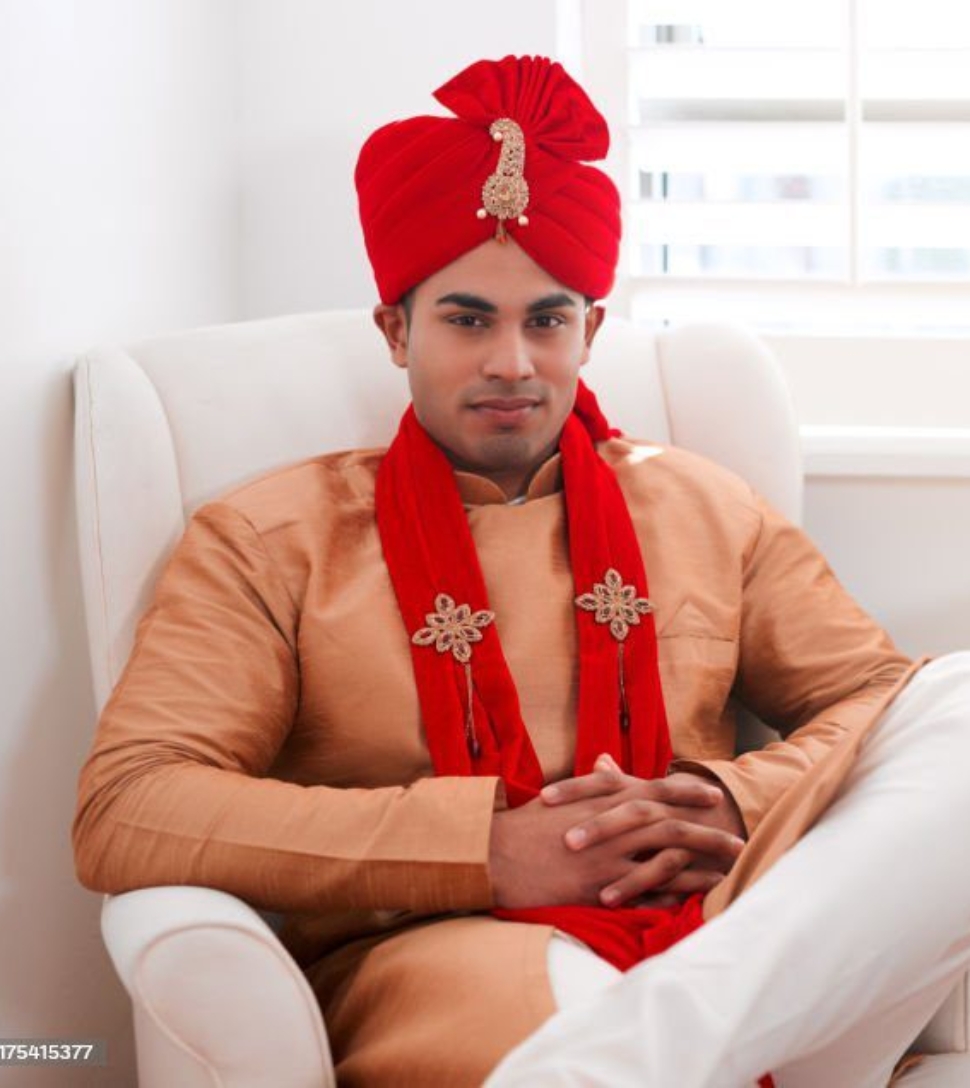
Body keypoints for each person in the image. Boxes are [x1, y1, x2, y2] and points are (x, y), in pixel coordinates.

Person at [73, 55, 970, 1087]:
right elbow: (129, 806)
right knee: (576, 997)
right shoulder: (271, 537)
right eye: (466, 318)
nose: (512, 361)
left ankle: (641, 1047)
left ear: (590, 331)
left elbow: (874, 699)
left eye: (546, 319)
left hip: (735, 920)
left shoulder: (703, 505)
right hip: (452, 948)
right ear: (395, 328)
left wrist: (721, 799)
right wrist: (482, 848)